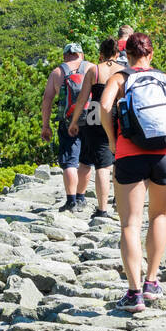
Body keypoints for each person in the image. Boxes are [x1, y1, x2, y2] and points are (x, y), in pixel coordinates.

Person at [99, 32, 166, 313]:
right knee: (159, 215)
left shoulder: (120, 78)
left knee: (130, 223)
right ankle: (152, 282)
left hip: (130, 153)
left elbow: (105, 107)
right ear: (151, 54)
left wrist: (112, 141)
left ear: (127, 55)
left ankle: (134, 293)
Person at [65, 38, 121, 219]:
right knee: (114, 161)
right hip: (117, 115)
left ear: (101, 54)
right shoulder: (123, 71)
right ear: (117, 54)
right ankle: (119, 202)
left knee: (96, 163)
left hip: (94, 115)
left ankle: (101, 208)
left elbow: (82, 99)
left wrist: (74, 121)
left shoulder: (94, 70)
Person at [39, 42, 91, 212]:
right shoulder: (92, 68)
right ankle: (82, 197)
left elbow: (47, 100)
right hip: (90, 120)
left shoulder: (58, 72)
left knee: (70, 162)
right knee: (85, 161)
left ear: (65, 56)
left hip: (68, 121)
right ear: (81, 55)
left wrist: (45, 126)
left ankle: (71, 201)